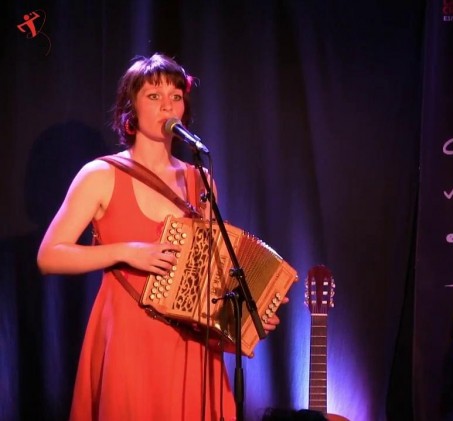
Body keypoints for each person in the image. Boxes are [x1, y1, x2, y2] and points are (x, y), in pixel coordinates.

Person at [37, 53, 284, 420]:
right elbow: (50, 256)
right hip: (130, 338)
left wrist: (247, 314)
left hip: (191, 344)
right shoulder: (100, 174)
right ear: (130, 111)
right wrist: (127, 251)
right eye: (154, 96)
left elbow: (209, 274)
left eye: (176, 96)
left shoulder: (200, 180)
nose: (167, 105)